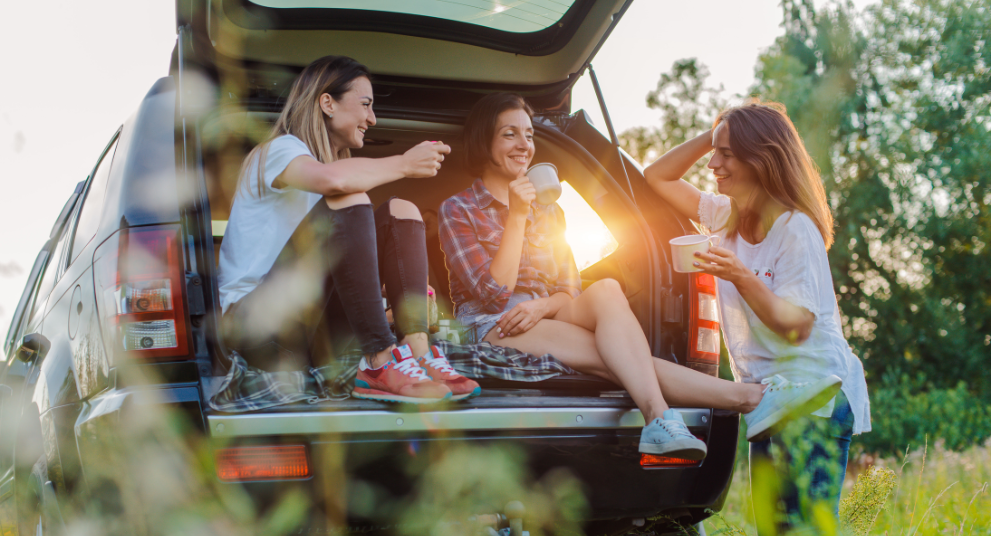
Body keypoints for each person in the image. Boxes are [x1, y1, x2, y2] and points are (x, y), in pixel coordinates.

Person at [643, 99, 947, 536]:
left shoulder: (796, 229)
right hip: (767, 400)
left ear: (762, 159)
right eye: (716, 153)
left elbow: (796, 323)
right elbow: (655, 176)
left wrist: (738, 275)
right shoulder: (724, 215)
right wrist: (706, 133)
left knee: (811, 532)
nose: (715, 164)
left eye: (728, 154)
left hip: (816, 393)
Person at [438, 92, 838, 461]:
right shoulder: (458, 210)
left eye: (528, 134)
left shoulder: (551, 212)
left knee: (608, 289)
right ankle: (721, 404)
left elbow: (568, 288)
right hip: (494, 323)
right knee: (620, 357)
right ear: (484, 142)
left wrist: (545, 304)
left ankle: (696, 412)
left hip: (546, 315)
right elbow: (491, 294)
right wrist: (517, 215)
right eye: (510, 135)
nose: (525, 145)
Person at [218, 55, 479, 404]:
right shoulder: (278, 151)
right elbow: (333, 181)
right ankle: (379, 360)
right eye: (366, 104)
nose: (372, 118)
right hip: (256, 326)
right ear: (327, 102)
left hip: (309, 325)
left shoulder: (327, 174)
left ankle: (418, 352)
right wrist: (403, 163)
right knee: (349, 194)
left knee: (402, 209)